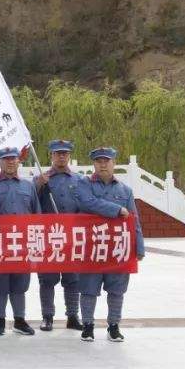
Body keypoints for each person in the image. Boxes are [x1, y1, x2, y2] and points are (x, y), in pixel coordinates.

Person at [74, 147, 145, 343]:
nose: (103, 164)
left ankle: (114, 326)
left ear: (114, 163)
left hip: (117, 249)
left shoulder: (125, 190)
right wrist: (117, 209)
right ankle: (88, 325)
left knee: (116, 290)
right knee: (88, 289)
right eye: (98, 161)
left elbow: (134, 220)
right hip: (92, 247)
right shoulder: (84, 184)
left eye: (107, 161)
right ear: (94, 164)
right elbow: (88, 203)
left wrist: (139, 247)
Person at [0, 146, 40, 336]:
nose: (10, 162)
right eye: (5, 159)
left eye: (13, 159)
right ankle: (0, 321)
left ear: (18, 161)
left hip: (22, 243)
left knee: (20, 284)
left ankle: (19, 320)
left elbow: (36, 213)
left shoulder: (27, 186)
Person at [33, 139, 84, 331]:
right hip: (48, 238)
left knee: (73, 279)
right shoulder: (41, 179)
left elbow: (85, 205)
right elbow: (31, 204)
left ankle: (73, 315)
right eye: (57, 153)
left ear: (69, 155)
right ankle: (48, 316)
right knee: (47, 279)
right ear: (51, 156)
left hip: (72, 238)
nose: (61, 156)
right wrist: (39, 185)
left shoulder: (79, 180)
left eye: (64, 153)